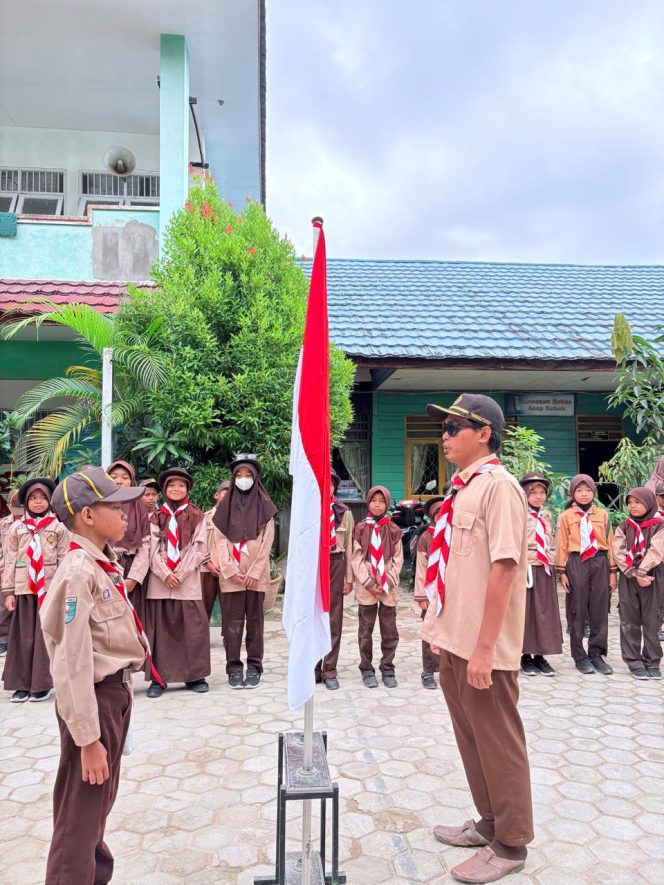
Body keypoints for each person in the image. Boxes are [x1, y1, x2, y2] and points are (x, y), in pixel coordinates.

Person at [421, 395, 533, 884]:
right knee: (472, 740)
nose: (444, 437)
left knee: (498, 741)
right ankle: (489, 823)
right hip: (456, 640)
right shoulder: (462, 490)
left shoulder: (500, 488)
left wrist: (485, 648)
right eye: (443, 429)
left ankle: (511, 844)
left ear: (484, 432)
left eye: (453, 428)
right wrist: (441, 631)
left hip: (484, 647)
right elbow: (458, 568)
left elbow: (506, 567)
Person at [40, 467, 151, 884]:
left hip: (112, 699)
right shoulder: (78, 572)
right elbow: (71, 663)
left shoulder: (102, 565)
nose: (126, 513)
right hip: (95, 703)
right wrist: (88, 740)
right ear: (87, 515)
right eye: (116, 505)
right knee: (79, 819)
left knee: (95, 810)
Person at [211, 455, 277, 689]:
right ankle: (233, 668)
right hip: (232, 578)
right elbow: (218, 540)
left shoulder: (265, 507)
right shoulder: (224, 509)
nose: (243, 480)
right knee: (232, 623)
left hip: (255, 577)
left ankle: (255, 667)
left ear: (256, 478)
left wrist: (255, 571)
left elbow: (267, 541)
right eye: (239, 476)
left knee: (255, 623)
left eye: (248, 476)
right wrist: (230, 569)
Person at [2, 478, 70, 703]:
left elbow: (64, 559)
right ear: (26, 502)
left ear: (50, 501)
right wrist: (8, 591)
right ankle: (21, 683)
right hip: (24, 589)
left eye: (43, 498)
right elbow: (10, 560)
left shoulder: (57, 527)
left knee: (44, 636)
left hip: (49, 589)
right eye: (33, 498)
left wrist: (62, 590)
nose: (38, 502)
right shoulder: (17, 528)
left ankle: (42, 683)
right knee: (23, 637)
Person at [145, 467, 210, 698]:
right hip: (160, 582)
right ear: (164, 489)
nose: (176, 489)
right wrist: (164, 573)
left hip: (187, 581)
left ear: (188, 489)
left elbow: (199, 547)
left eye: (181, 485)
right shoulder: (154, 517)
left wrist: (180, 573)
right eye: (171, 485)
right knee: (160, 633)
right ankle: (158, 679)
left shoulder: (197, 515)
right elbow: (150, 548)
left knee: (192, 629)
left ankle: (195, 676)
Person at [555, 474, 617, 675]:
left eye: (588, 490)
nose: (584, 494)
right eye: (579, 491)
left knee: (600, 608)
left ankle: (596, 654)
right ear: (572, 493)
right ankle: (579, 656)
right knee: (577, 609)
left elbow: (610, 542)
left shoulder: (603, 515)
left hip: (600, 562)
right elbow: (562, 544)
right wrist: (562, 571)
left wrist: (612, 572)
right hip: (576, 562)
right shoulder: (566, 517)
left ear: (594, 492)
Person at [351, 485, 403, 689]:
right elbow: (355, 558)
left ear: (387, 504)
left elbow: (398, 559)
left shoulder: (394, 530)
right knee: (366, 630)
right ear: (368, 502)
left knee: (389, 630)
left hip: (388, 588)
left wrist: (388, 581)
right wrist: (370, 583)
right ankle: (366, 669)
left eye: (382, 501)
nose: (377, 505)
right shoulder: (360, 528)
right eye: (374, 500)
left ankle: (388, 668)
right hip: (367, 587)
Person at [612, 487, 663, 679]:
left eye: (638, 502)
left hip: (653, 577)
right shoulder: (624, 526)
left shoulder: (659, 525)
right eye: (629, 503)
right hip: (629, 577)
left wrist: (642, 571)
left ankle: (652, 660)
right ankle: (634, 661)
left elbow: (657, 550)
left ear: (649, 503)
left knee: (652, 619)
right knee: (629, 619)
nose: (633, 506)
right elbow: (618, 550)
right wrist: (634, 573)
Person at [519, 472, 563, 677]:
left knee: (545, 612)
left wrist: (552, 560)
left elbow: (551, 540)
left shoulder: (546, 515)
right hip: (526, 567)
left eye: (542, 492)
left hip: (544, 567)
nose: (538, 496)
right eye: (533, 492)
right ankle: (525, 655)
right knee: (527, 613)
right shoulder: (518, 514)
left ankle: (541, 656)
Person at [315, 469, 355, 690]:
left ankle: (329, 668)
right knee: (314, 614)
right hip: (315, 565)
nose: (327, 486)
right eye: (323, 482)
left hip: (336, 562)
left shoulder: (344, 513)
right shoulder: (311, 510)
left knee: (333, 617)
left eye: (331, 483)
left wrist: (349, 578)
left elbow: (349, 546)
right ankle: (313, 666)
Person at [106, 460, 151, 627]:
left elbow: (146, 546)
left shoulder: (140, 508)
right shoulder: (100, 506)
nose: (119, 481)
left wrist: (133, 579)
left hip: (131, 567)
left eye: (125, 477)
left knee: (132, 621)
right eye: (113, 477)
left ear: (132, 481)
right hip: (106, 566)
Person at [413, 496, 445, 689]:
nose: (441, 516)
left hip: (452, 591)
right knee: (430, 629)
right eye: (437, 513)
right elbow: (421, 568)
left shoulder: (454, 534)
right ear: (432, 516)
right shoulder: (426, 537)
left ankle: (449, 669)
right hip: (432, 592)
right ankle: (428, 671)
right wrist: (422, 595)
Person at [201, 481, 229, 623]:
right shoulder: (204, 518)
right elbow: (198, 544)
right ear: (216, 495)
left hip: (229, 571)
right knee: (203, 609)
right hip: (206, 569)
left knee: (229, 610)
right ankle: (201, 642)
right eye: (225, 492)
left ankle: (229, 640)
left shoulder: (236, 519)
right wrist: (209, 563)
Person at [0, 490, 22, 657]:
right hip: (6, 567)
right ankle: (4, 639)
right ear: (8, 507)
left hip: (25, 569)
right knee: (4, 605)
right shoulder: (3, 524)